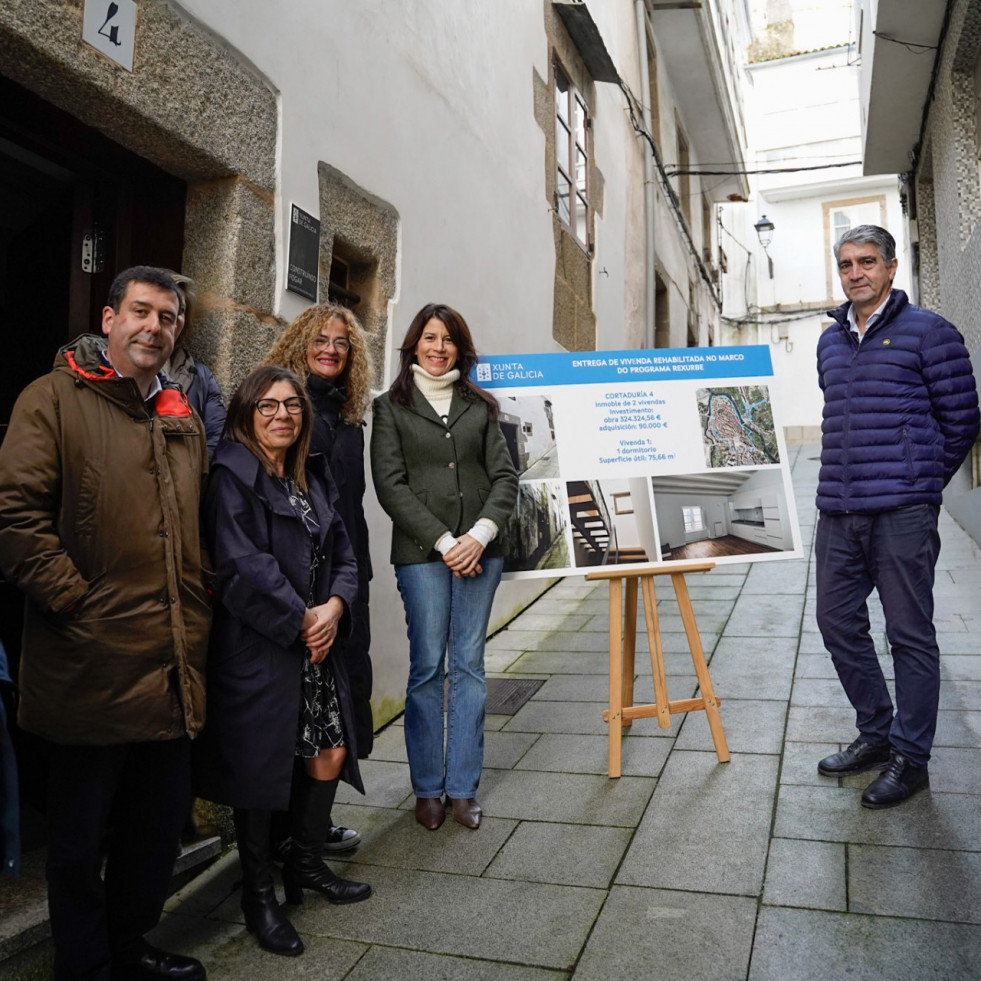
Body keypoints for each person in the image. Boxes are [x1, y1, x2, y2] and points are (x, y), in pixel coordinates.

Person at [0, 266, 211, 980]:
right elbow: (15, 516)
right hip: (89, 663)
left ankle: (130, 946)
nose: (155, 327)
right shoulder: (53, 398)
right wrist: (76, 603)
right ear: (110, 316)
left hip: (169, 666)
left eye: (169, 318)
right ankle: (84, 966)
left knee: (152, 835)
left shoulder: (181, 416)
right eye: (142, 312)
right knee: (80, 837)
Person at [195, 365, 371, 959]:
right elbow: (243, 567)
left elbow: (344, 550)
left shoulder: (309, 476)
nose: (282, 416)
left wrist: (336, 606)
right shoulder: (232, 477)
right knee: (260, 769)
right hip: (262, 646)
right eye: (268, 406)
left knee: (329, 749)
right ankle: (259, 896)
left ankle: (306, 865)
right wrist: (303, 618)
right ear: (247, 412)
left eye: (292, 406)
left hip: (316, 642)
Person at [815, 224, 979, 809]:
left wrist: (921, 484)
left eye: (867, 262)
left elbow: (963, 418)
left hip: (902, 513)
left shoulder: (929, 333)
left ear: (890, 269)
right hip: (838, 507)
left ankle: (912, 758)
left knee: (909, 634)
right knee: (836, 623)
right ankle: (877, 732)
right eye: (846, 264)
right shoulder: (830, 341)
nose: (855, 273)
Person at [370, 303, 518, 831]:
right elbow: (390, 485)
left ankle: (462, 787)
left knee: (470, 666)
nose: (438, 347)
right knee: (429, 666)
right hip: (421, 556)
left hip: (482, 551)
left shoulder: (480, 406)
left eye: (448, 339)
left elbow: (505, 477)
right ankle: (427, 788)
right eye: (429, 338)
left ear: (460, 347)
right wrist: (443, 540)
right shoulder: (390, 407)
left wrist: (478, 536)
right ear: (414, 345)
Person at [264, 304, 374, 852]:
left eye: (341, 342)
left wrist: (353, 584)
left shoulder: (350, 419)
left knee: (342, 698)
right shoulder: (291, 409)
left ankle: (311, 829)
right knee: (305, 700)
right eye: (319, 339)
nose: (330, 348)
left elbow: (350, 508)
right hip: (309, 582)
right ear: (298, 345)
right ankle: (290, 833)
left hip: (350, 577)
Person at [164, 273, 226, 459]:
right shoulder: (116, 365)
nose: (172, 317)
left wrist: (193, 479)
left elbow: (217, 437)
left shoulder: (200, 376)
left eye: (180, 310)